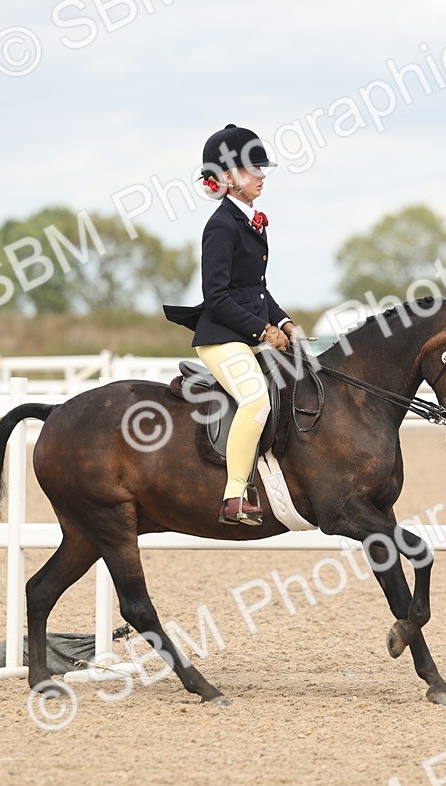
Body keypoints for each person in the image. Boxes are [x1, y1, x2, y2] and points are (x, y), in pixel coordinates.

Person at [163, 124, 301, 526]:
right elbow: (219, 296)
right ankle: (235, 495)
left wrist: (286, 323)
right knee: (256, 398)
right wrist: (263, 331)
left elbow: (258, 291)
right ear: (226, 177)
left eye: (261, 168)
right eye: (251, 169)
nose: (261, 175)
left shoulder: (251, 223)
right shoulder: (221, 225)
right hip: (222, 338)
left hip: (248, 333)